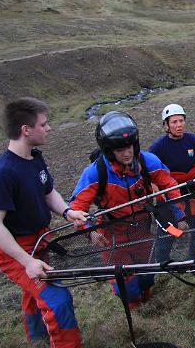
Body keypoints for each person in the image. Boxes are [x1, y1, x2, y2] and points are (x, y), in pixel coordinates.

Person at [0, 98, 97, 348]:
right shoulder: (3, 173)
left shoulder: (34, 159)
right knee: (56, 297)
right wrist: (27, 262)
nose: (48, 128)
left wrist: (68, 212)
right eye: (43, 124)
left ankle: (36, 337)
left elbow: (48, 192)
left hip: (39, 240)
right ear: (26, 130)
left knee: (33, 292)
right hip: (15, 251)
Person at [69, 111, 181, 307]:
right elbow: (76, 208)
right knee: (125, 283)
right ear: (109, 150)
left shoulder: (147, 162)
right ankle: (134, 309)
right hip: (113, 235)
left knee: (147, 275)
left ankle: (145, 299)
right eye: (120, 150)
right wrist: (90, 232)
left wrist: (180, 215)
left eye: (129, 147)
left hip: (142, 229)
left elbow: (170, 186)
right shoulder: (95, 173)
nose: (127, 153)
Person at [149, 104, 195, 261]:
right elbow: (150, 176)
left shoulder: (193, 141)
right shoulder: (158, 148)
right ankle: (162, 262)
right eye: (174, 122)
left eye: (181, 121)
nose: (179, 125)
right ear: (166, 125)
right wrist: (158, 194)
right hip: (170, 197)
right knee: (169, 230)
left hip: (192, 194)